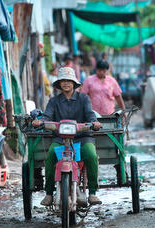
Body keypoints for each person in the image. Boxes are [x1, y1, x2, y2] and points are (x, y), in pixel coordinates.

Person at [32, 67, 103, 206]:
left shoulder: (84, 98)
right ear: (59, 84)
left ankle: (93, 192)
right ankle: (48, 193)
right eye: (63, 81)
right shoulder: (54, 101)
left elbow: (90, 114)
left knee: (91, 154)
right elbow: (47, 116)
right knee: (51, 154)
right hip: (60, 139)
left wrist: (94, 122)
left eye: (69, 81)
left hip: (82, 137)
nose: (66, 83)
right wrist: (41, 121)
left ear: (74, 83)